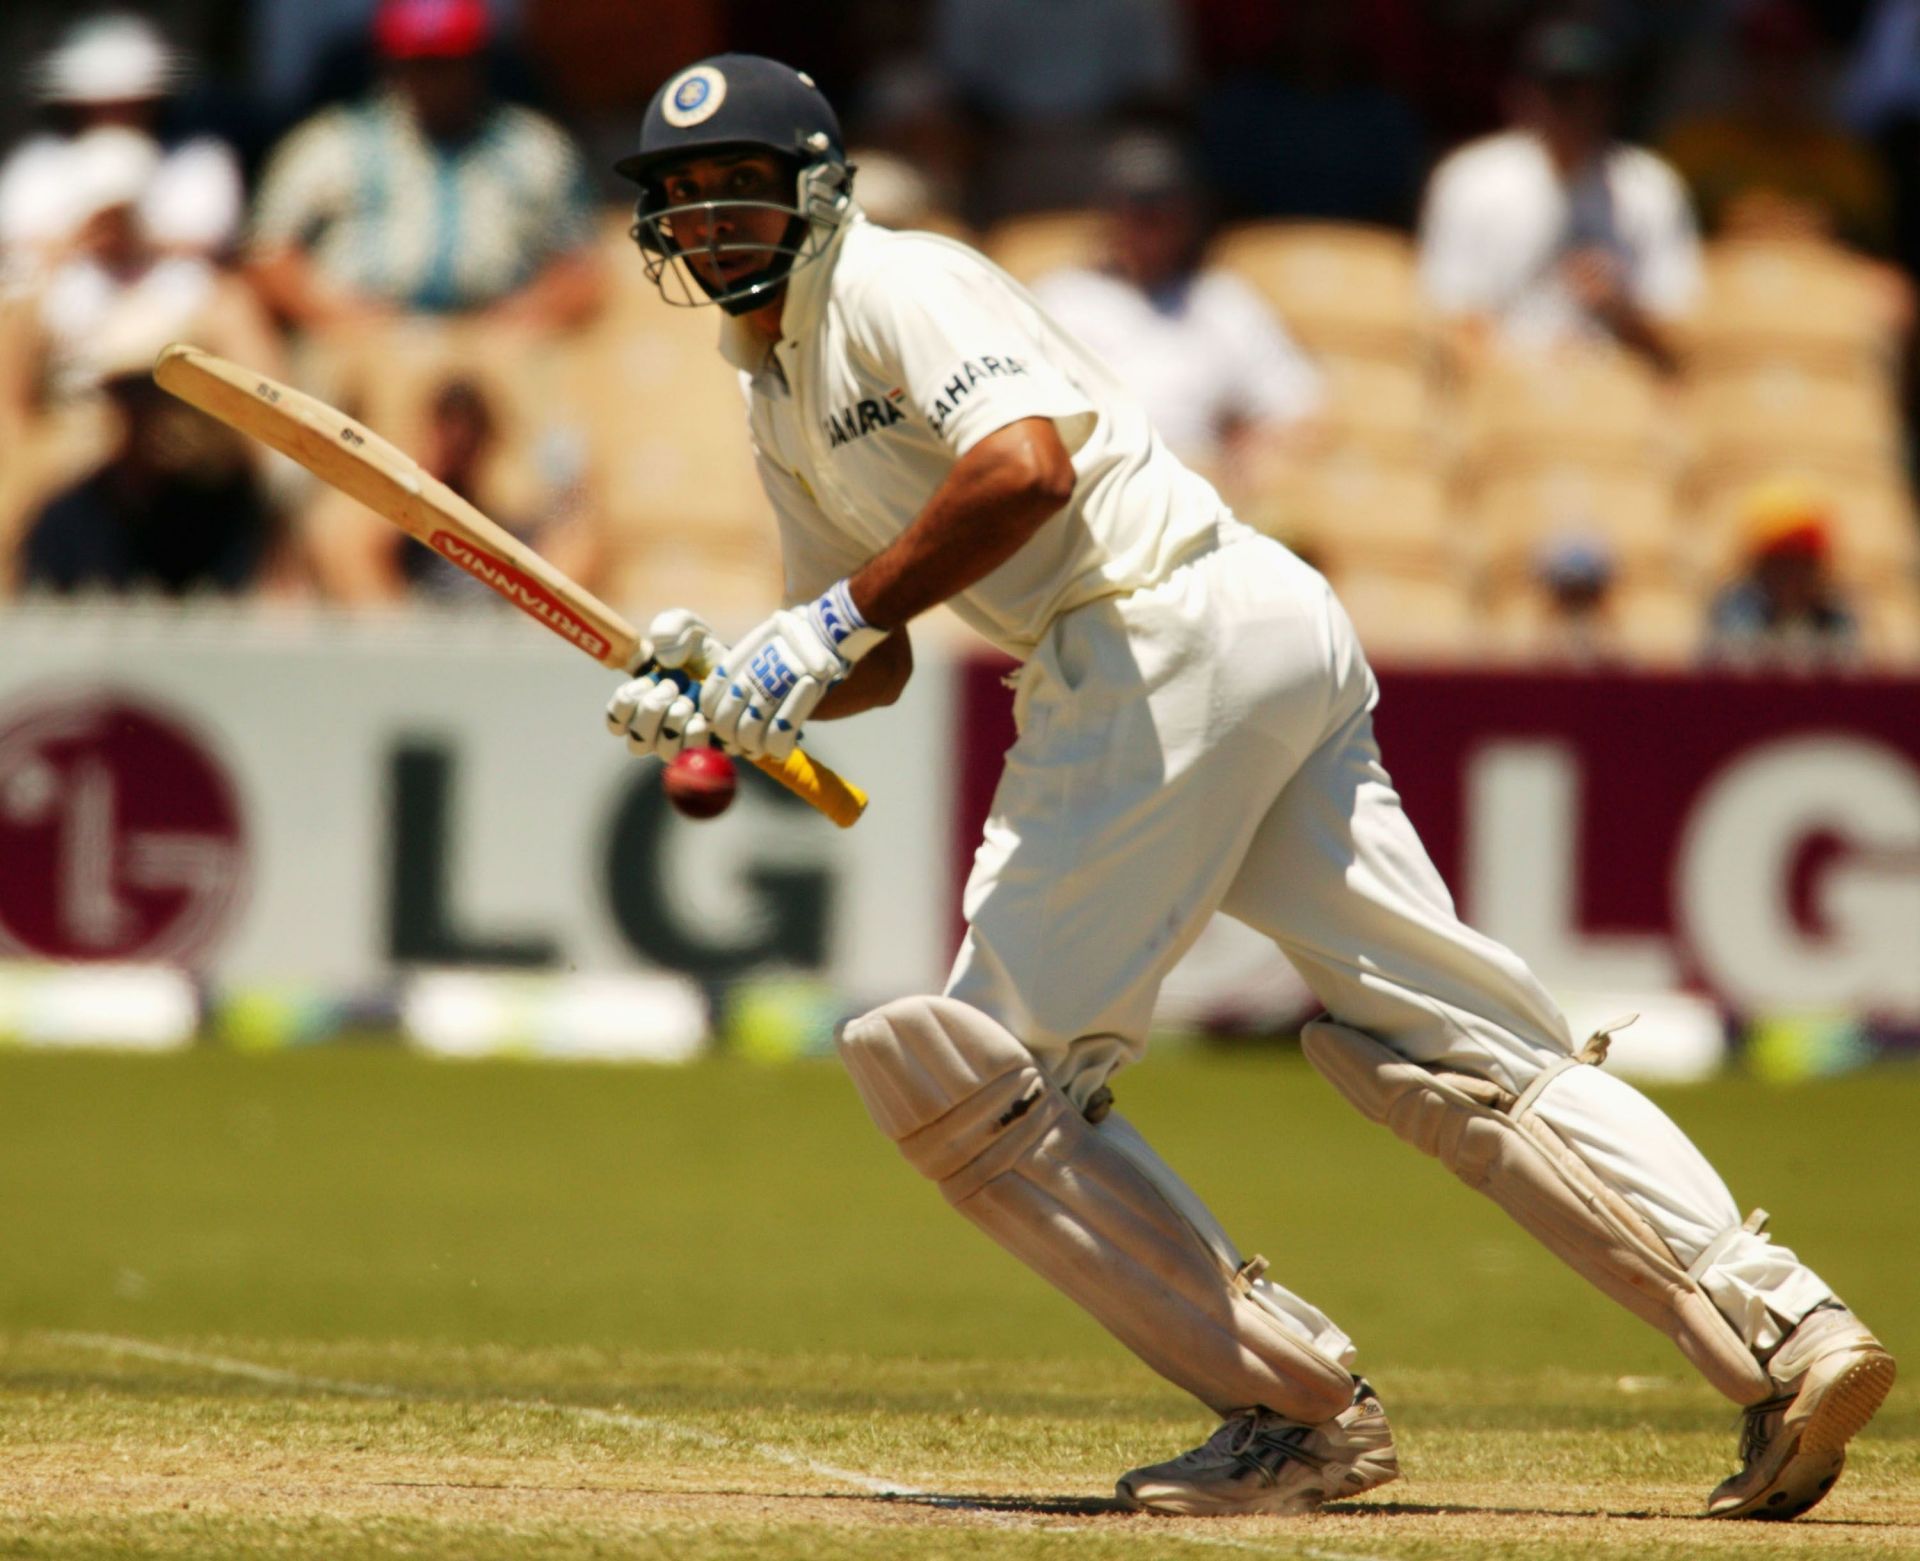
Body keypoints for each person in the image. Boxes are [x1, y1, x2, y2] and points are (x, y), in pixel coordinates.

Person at [599, 54, 1894, 1520]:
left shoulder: (898, 280)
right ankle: (1786, 1328)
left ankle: (1297, 1417)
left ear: (818, 193)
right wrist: (735, 686)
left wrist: (815, 634)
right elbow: (877, 658)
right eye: (683, 199)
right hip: (1253, 627)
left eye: (738, 191)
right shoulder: (771, 396)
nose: (708, 222)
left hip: (1150, 631)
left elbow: (1024, 472)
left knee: (975, 1079)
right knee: (1450, 1038)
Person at [246, 0, 603, 333]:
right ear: (391, 65)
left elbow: (579, 266)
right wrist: (350, 320)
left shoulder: (532, 147)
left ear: (478, 62)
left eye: (448, 63)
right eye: (421, 64)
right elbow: (268, 254)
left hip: (495, 341)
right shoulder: (331, 144)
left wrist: (513, 325)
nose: (434, 82)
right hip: (359, 338)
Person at [1029, 132, 1325, 483]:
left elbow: (1298, 402)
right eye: (1134, 210)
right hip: (1085, 483)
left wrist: (1247, 454)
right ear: (1108, 214)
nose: (1147, 226)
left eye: (1161, 212)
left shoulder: (1222, 301)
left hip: (1193, 486)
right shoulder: (1061, 297)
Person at [1417, 20, 1702, 374]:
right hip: (1502, 385)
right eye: (1562, 92)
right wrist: (1527, 377)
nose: (1577, 109)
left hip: (1616, 389)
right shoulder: (1472, 179)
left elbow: (1678, 334)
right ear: (1524, 95)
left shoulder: (1650, 187)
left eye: (1591, 91)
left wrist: (1620, 308)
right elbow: (1449, 317)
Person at [0, 13, 245, 284]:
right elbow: (16, 245)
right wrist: (86, 237)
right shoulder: (38, 161)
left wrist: (135, 237)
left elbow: (213, 245)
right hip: (63, 305)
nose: (114, 113)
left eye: (128, 102)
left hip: (169, 303)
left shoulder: (197, 159)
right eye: (101, 103)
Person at [1705, 478, 1861, 668]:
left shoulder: (1835, 616)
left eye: (1803, 562)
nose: (1792, 576)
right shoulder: (1736, 612)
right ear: (1760, 566)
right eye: (1781, 563)